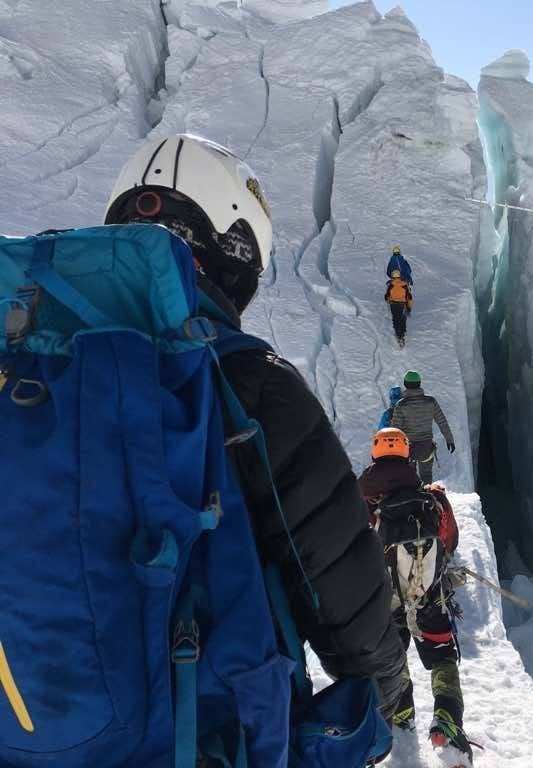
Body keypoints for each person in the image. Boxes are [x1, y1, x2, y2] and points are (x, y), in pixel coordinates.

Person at [104, 133, 408, 723]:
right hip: (201, 726)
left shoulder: (35, 363)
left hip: (35, 722)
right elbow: (338, 573)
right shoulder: (252, 382)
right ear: (234, 248)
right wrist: (388, 696)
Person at [359, 428, 471, 765]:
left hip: (385, 597)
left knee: (395, 656)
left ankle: (400, 712)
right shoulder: (431, 498)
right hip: (428, 594)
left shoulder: (361, 499)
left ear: (375, 454)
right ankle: (448, 718)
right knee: (442, 655)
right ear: (407, 454)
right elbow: (449, 541)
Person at [391, 370, 455, 485]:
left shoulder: (401, 405)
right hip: (426, 447)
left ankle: (413, 499)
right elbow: (442, 422)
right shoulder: (431, 402)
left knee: (409, 477)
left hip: (408, 448)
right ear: (419, 383)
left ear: (405, 384)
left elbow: (395, 430)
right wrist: (449, 439)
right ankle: (428, 499)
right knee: (426, 476)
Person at [384, 269, 413, 347]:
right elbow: (409, 297)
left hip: (394, 304)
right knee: (402, 318)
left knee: (396, 319)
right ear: (399, 276)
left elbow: (386, 296)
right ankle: (403, 333)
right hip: (403, 304)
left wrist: (388, 300)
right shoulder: (405, 284)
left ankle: (399, 336)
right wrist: (409, 307)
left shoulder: (390, 284)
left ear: (393, 276)